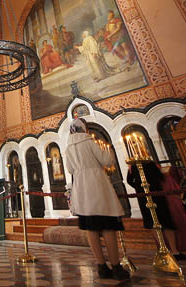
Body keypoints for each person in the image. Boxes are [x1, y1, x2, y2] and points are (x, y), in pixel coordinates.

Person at [64, 118, 130, 280]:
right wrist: (109, 151)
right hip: (97, 185)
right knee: (108, 226)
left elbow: (70, 169)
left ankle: (101, 266)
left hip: (82, 188)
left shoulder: (68, 148)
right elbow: (106, 161)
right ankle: (115, 266)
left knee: (91, 229)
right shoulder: (90, 142)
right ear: (84, 128)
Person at [127, 161, 182, 259]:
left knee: (152, 222)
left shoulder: (133, 166)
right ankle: (174, 250)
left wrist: (139, 187)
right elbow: (160, 176)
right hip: (156, 193)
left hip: (143, 195)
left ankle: (163, 249)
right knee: (164, 220)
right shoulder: (150, 163)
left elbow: (129, 180)